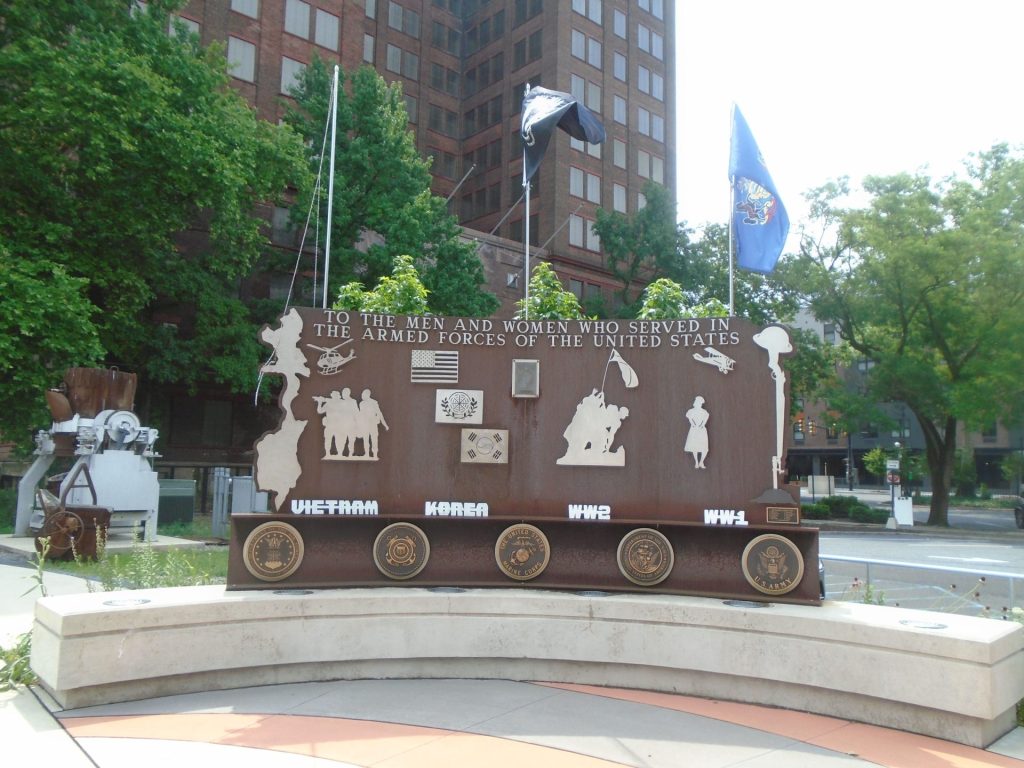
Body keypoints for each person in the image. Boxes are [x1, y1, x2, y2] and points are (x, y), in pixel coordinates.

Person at [357, 388, 389, 459]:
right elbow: (361, 414)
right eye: (362, 394)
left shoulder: (374, 402)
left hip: (372, 423)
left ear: (367, 394)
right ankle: (367, 454)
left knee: (374, 439)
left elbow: (379, 414)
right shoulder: (361, 403)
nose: (361, 395)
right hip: (365, 424)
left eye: (363, 394)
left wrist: (385, 425)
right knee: (365, 439)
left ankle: (375, 455)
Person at [685, 396, 710, 469]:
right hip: (694, 429)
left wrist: (701, 425)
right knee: (694, 446)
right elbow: (689, 418)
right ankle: (696, 461)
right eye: (696, 402)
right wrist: (693, 424)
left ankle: (701, 461)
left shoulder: (704, 412)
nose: (696, 403)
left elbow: (705, 420)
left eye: (698, 402)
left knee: (704, 448)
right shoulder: (691, 411)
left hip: (701, 430)